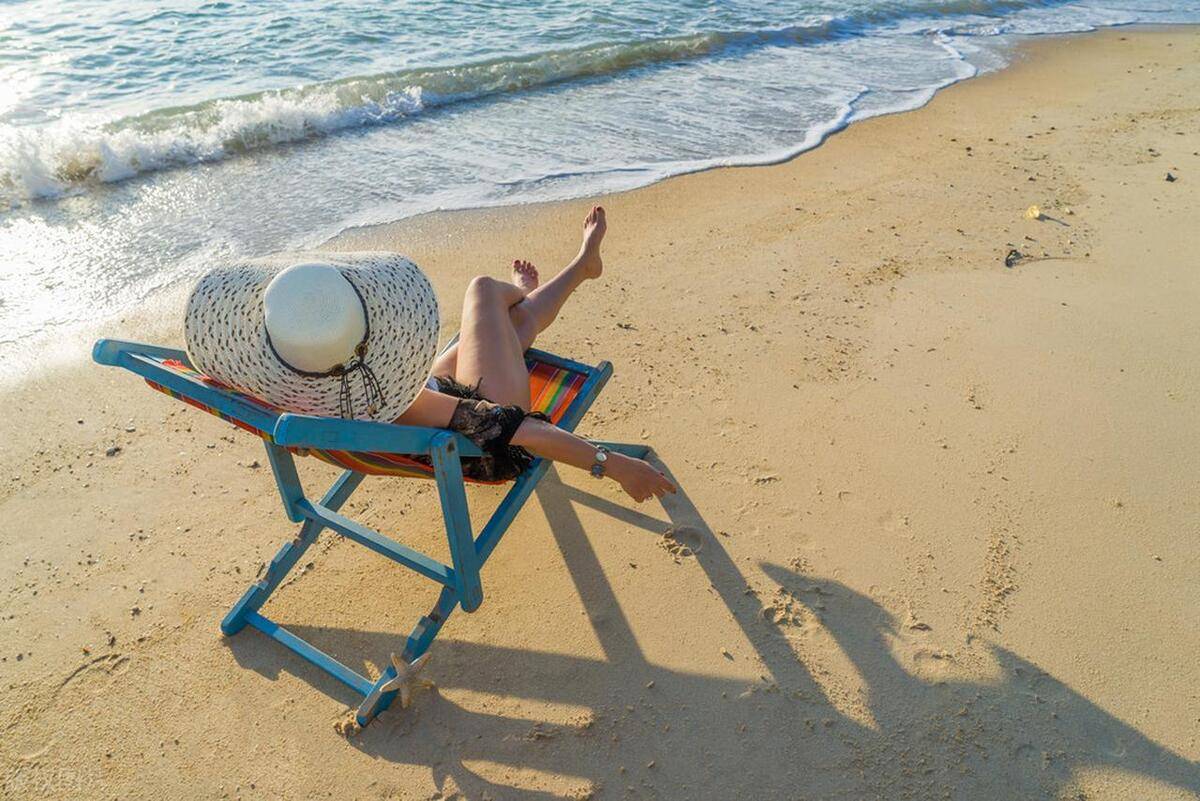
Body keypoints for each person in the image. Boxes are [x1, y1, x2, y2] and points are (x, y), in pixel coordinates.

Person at [396, 206, 675, 503]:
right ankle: (530, 290)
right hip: (484, 447)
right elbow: (511, 427)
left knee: (507, 322)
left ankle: (578, 268)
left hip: (437, 404)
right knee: (484, 290)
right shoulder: (398, 400)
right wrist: (614, 465)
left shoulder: (365, 393)